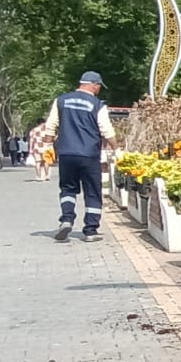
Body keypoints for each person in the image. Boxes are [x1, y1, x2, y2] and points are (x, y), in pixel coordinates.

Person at [43, 71, 117, 242]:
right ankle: (90, 231)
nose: (99, 89)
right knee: (92, 191)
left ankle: (67, 219)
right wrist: (116, 148)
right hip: (89, 154)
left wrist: (47, 145)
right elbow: (106, 130)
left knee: (68, 189)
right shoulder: (98, 105)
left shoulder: (61, 100)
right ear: (94, 84)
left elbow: (51, 125)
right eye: (99, 86)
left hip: (67, 153)